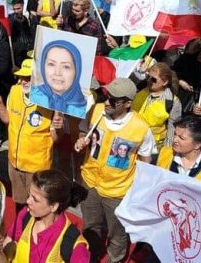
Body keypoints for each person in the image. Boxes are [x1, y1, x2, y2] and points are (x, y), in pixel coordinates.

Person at [74, 78, 155, 262]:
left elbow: (146, 161)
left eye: (114, 100)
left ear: (127, 103)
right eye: (107, 96)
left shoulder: (141, 127)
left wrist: (139, 191)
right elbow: (83, 131)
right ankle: (91, 256)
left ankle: (115, 259)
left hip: (118, 191)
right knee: (90, 226)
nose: (107, 102)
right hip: (90, 183)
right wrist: (81, 140)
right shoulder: (95, 111)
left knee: (117, 234)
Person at [0, 59, 63, 206]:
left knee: (37, 205)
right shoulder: (14, 91)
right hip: (14, 162)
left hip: (36, 167)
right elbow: (7, 119)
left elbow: (56, 139)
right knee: (19, 203)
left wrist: (58, 126)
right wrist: (0, 105)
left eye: (30, 78)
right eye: (23, 77)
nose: (25, 81)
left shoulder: (51, 101)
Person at [0, 169, 90, 262]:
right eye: (29, 195)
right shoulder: (25, 216)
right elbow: (4, 259)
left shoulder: (74, 244)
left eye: (35, 199)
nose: (28, 201)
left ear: (53, 206)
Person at [30, 39, 89, 117]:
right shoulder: (32, 94)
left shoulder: (83, 109)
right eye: (51, 64)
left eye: (66, 67)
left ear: (77, 71)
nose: (57, 73)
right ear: (43, 66)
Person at [132, 62, 182, 149]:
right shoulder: (141, 88)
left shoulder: (173, 102)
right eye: (148, 77)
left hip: (151, 145)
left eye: (154, 79)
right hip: (130, 136)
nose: (149, 81)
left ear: (165, 82)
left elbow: (172, 129)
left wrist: (166, 152)